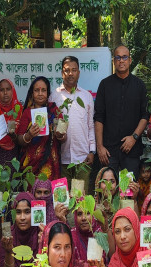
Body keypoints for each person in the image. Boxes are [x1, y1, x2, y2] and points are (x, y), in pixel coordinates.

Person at [94, 45, 149, 176]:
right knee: (106, 191)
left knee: (129, 192)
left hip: (131, 150)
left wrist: (134, 137)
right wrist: (100, 147)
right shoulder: (105, 85)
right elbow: (99, 117)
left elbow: (145, 115)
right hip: (108, 151)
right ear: (114, 61)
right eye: (118, 57)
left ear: (130, 60)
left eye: (124, 57)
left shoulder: (139, 85)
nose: (121, 60)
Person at [51, 56, 96, 185]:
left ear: (79, 73)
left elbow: (90, 126)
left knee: (81, 201)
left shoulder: (86, 96)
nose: (70, 73)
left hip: (83, 159)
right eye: (67, 70)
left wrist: (92, 151)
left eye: (74, 70)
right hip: (61, 160)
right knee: (63, 201)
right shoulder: (54, 96)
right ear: (62, 73)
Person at [17, 76, 64, 180]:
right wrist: (28, 135)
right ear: (32, 93)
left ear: (48, 93)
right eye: (36, 90)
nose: (40, 93)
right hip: (31, 166)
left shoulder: (54, 110)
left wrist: (59, 134)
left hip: (51, 163)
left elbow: (64, 137)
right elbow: (19, 139)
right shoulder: (27, 113)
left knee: (48, 193)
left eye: (43, 90)